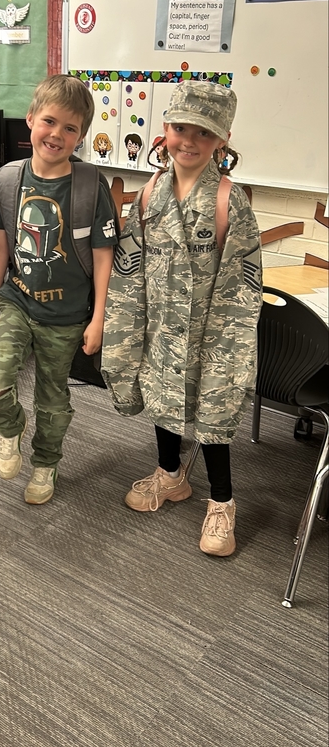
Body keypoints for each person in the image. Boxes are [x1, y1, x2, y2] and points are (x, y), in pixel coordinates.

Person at [102, 80, 262, 556]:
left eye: (204, 133)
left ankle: (222, 502)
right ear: (164, 129)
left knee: (213, 419)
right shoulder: (150, 193)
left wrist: (226, 360)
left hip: (211, 338)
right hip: (159, 332)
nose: (188, 141)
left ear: (222, 140)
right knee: (163, 402)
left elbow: (240, 292)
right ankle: (171, 476)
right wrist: (125, 336)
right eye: (180, 128)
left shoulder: (229, 201)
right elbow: (130, 273)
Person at [0, 75, 118, 504]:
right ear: (30, 120)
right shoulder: (8, 180)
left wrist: (98, 319)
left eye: (71, 128)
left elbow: (103, 256)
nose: (57, 134)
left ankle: (45, 464)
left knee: (53, 398)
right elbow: (0, 245)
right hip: (17, 302)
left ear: (81, 135)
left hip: (67, 316)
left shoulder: (90, 187)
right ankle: (10, 427)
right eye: (49, 122)